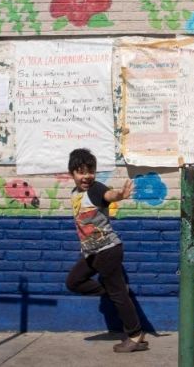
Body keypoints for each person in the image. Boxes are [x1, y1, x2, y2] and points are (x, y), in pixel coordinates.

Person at [65, 148, 148, 353]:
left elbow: (108, 194)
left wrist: (119, 194)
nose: (86, 176)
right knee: (74, 282)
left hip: (108, 249)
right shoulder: (76, 194)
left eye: (90, 171)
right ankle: (115, 292)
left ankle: (135, 335)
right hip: (93, 253)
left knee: (118, 295)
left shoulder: (95, 189)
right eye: (81, 172)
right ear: (72, 174)